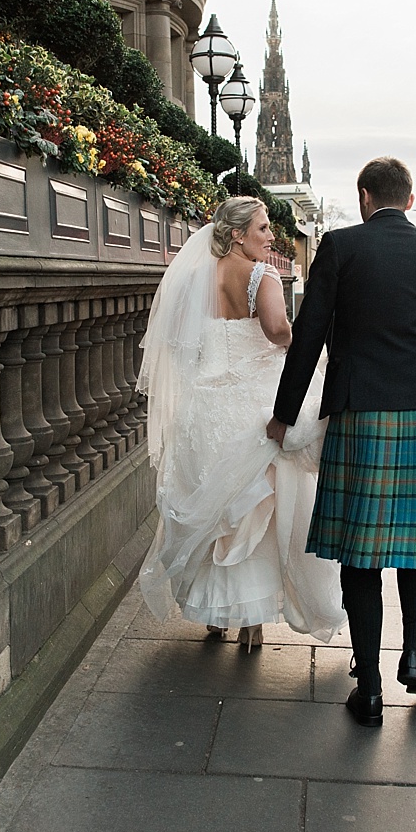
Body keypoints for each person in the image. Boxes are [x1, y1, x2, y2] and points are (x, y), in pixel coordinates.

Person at [269, 158, 416, 726]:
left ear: (364, 196)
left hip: (363, 411)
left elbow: (308, 336)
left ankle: (372, 686)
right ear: (409, 200)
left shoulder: (340, 247)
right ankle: (414, 653)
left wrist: (285, 415)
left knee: (362, 550)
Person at [137, 197, 345, 653]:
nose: (271, 236)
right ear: (237, 233)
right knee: (261, 511)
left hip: (205, 408)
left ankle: (216, 614)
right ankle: (251, 622)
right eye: (263, 228)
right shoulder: (262, 276)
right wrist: (299, 337)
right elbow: (275, 329)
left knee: (214, 510)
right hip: (252, 404)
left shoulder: (194, 278)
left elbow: (176, 341)